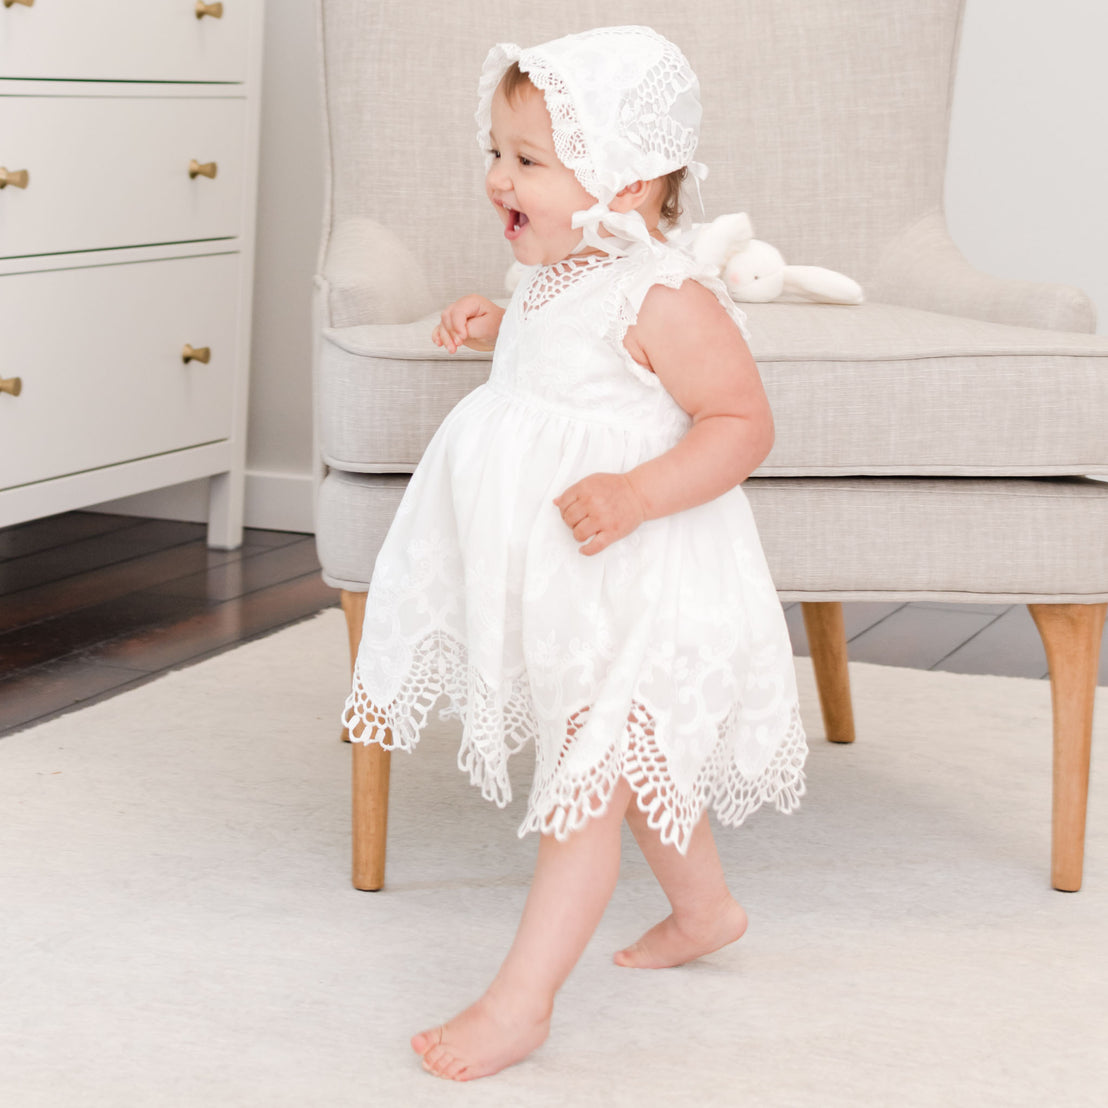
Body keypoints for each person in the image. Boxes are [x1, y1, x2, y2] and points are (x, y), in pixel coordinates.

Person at [343, 25, 807, 1082]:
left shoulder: (668, 297)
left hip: (637, 576)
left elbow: (741, 422)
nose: (498, 177)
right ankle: (706, 909)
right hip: (567, 580)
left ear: (629, 182)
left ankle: (521, 1002)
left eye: (529, 161)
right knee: (625, 757)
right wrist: (494, 313)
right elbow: (560, 348)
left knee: (586, 783)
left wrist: (639, 490)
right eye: (496, 152)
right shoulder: (554, 270)